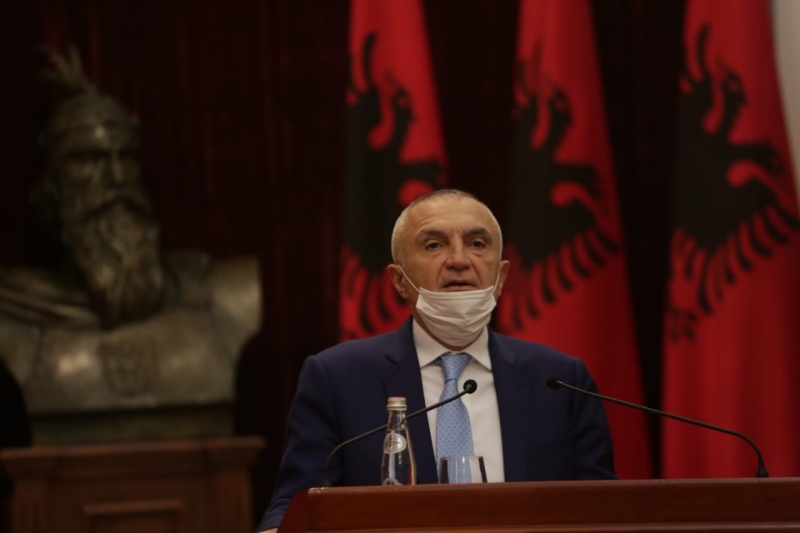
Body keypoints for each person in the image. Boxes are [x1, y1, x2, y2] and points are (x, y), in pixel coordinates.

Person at [257, 189, 615, 532]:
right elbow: (296, 504)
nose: (459, 260)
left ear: (502, 276)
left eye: (477, 244)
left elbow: (602, 508)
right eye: (434, 245)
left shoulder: (561, 381)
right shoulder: (337, 378)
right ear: (399, 280)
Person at [0, 47, 261, 443]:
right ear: (51, 191)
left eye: (126, 158)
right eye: (90, 160)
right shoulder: (14, 313)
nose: (117, 178)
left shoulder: (227, 296)